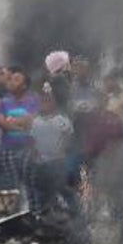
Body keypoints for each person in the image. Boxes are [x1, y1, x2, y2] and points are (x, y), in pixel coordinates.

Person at [0, 65, 39, 205]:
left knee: (29, 182)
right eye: (11, 79)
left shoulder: (33, 100)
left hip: (28, 149)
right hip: (8, 149)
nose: (12, 82)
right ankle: (17, 212)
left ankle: (32, 211)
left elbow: (32, 121)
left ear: (24, 85)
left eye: (17, 79)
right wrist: (20, 124)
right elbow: (1, 122)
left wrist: (12, 122)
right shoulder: (4, 101)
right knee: (13, 185)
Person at [29, 86, 78, 215]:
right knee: (44, 191)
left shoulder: (62, 121)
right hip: (42, 163)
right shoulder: (36, 122)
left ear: (54, 103)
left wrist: (62, 151)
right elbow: (33, 141)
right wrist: (36, 156)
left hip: (58, 162)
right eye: (42, 102)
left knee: (62, 188)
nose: (44, 104)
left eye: (48, 101)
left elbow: (69, 138)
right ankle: (45, 214)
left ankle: (74, 213)